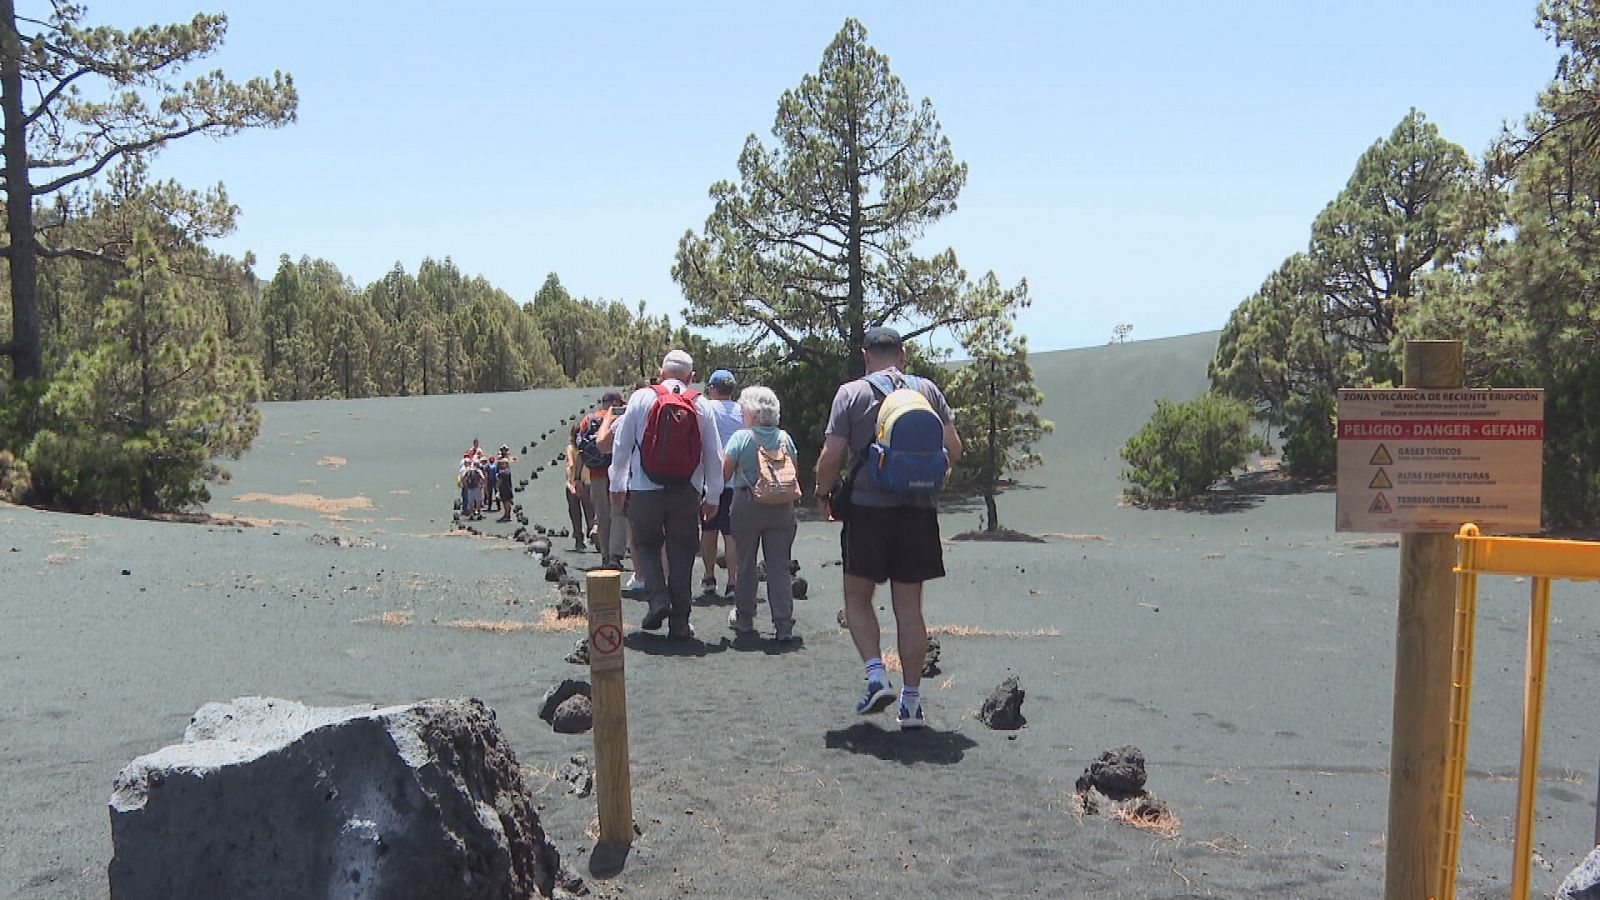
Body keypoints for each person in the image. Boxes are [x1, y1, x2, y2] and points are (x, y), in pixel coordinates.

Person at [813, 326, 962, 730]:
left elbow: (832, 454)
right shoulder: (928, 392)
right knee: (909, 607)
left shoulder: (851, 394)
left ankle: (877, 674)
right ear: (903, 353)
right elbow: (955, 448)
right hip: (918, 512)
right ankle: (912, 703)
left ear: (865, 355)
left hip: (867, 511)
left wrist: (824, 493)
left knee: (857, 597)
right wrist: (932, 478)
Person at [608, 350, 724, 640]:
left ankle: (658, 598)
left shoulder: (641, 398)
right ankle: (680, 622)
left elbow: (622, 446)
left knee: (646, 543)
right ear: (691, 377)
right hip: (687, 489)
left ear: (661, 374)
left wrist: (617, 485)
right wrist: (714, 496)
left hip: (645, 488)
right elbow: (713, 455)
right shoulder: (701, 404)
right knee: (682, 552)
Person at [721, 385, 800, 641]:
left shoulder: (742, 438)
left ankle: (744, 617)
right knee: (779, 565)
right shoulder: (785, 438)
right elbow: (794, 471)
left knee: (746, 563)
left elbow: (724, 473)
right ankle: (783, 623)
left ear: (753, 413)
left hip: (747, 503)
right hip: (782, 506)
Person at [699, 369, 743, 597]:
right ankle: (733, 582)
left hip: (711, 479)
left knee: (709, 530)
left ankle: (709, 576)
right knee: (731, 533)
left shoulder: (707, 408)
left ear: (713, 388)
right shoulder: (742, 411)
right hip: (736, 481)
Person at [579, 390, 628, 567]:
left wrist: (577, 477)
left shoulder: (588, 419)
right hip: (618, 471)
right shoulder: (620, 418)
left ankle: (606, 555)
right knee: (619, 514)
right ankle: (616, 555)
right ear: (615, 402)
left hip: (596, 474)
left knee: (602, 515)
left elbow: (580, 448)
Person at [562, 424, 594, 548]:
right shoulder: (588, 446)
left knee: (575, 513)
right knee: (590, 511)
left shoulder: (570, 448)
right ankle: (593, 534)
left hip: (574, 483)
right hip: (587, 482)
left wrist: (569, 482)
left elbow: (570, 464)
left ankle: (579, 539)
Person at [496, 453, 516, 523]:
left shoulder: (502, 472)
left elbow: (500, 481)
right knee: (508, 502)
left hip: (504, 489)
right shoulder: (508, 471)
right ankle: (507, 515)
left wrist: (497, 486)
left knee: (505, 502)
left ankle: (507, 515)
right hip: (508, 488)